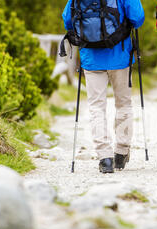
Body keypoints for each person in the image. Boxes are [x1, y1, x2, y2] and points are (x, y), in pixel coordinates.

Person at [62, 0, 145, 174]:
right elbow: (138, 19)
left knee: (96, 107)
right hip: (120, 56)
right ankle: (121, 152)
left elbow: (67, 20)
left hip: (91, 59)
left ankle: (104, 157)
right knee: (123, 104)